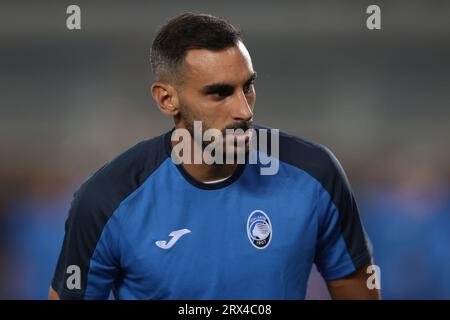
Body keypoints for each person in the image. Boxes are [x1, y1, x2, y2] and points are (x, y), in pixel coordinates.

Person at [49, 12, 379, 300]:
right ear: (167, 99)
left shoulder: (315, 174)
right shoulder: (106, 199)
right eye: (219, 93)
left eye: (247, 86)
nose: (244, 110)